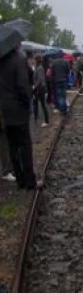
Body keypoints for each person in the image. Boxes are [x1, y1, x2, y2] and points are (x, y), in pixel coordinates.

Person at [0, 42, 38, 189]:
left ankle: (20, 180)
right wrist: (27, 102)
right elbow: (23, 86)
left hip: (5, 110)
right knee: (25, 147)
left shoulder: (1, 60)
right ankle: (30, 181)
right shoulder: (18, 59)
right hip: (19, 109)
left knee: (13, 147)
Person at [32, 54, 49, 127]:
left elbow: (40, 79)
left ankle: (46, 121)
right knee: (35, 104)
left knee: (43, 105)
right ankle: (36, 119)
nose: (33, 60)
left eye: (34, 59)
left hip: (40, 89)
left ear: (36, 60)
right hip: (38, 89)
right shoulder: (37, 67)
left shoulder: (39, 68)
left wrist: (34, 87)